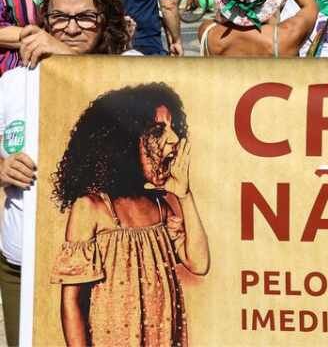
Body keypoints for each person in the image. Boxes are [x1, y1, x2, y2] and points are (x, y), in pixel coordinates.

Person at [0, 0, 132, 344]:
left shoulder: (133, 67)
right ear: (44, 20)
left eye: (85, 17)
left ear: (104, 19)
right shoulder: (13, 81)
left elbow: (115, 112)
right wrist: (1, 168)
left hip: (106, 270)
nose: (72, 28)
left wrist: (64, 56)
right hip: (21, 260)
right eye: (59, 17)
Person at [50, 83, 209, 345]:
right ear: (123, 140)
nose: (174, 139)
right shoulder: (91, 207)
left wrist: (184, 194)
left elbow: (199, 263)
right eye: (158, 130)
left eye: (173, 128)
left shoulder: (159, 205)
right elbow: (72, 303)